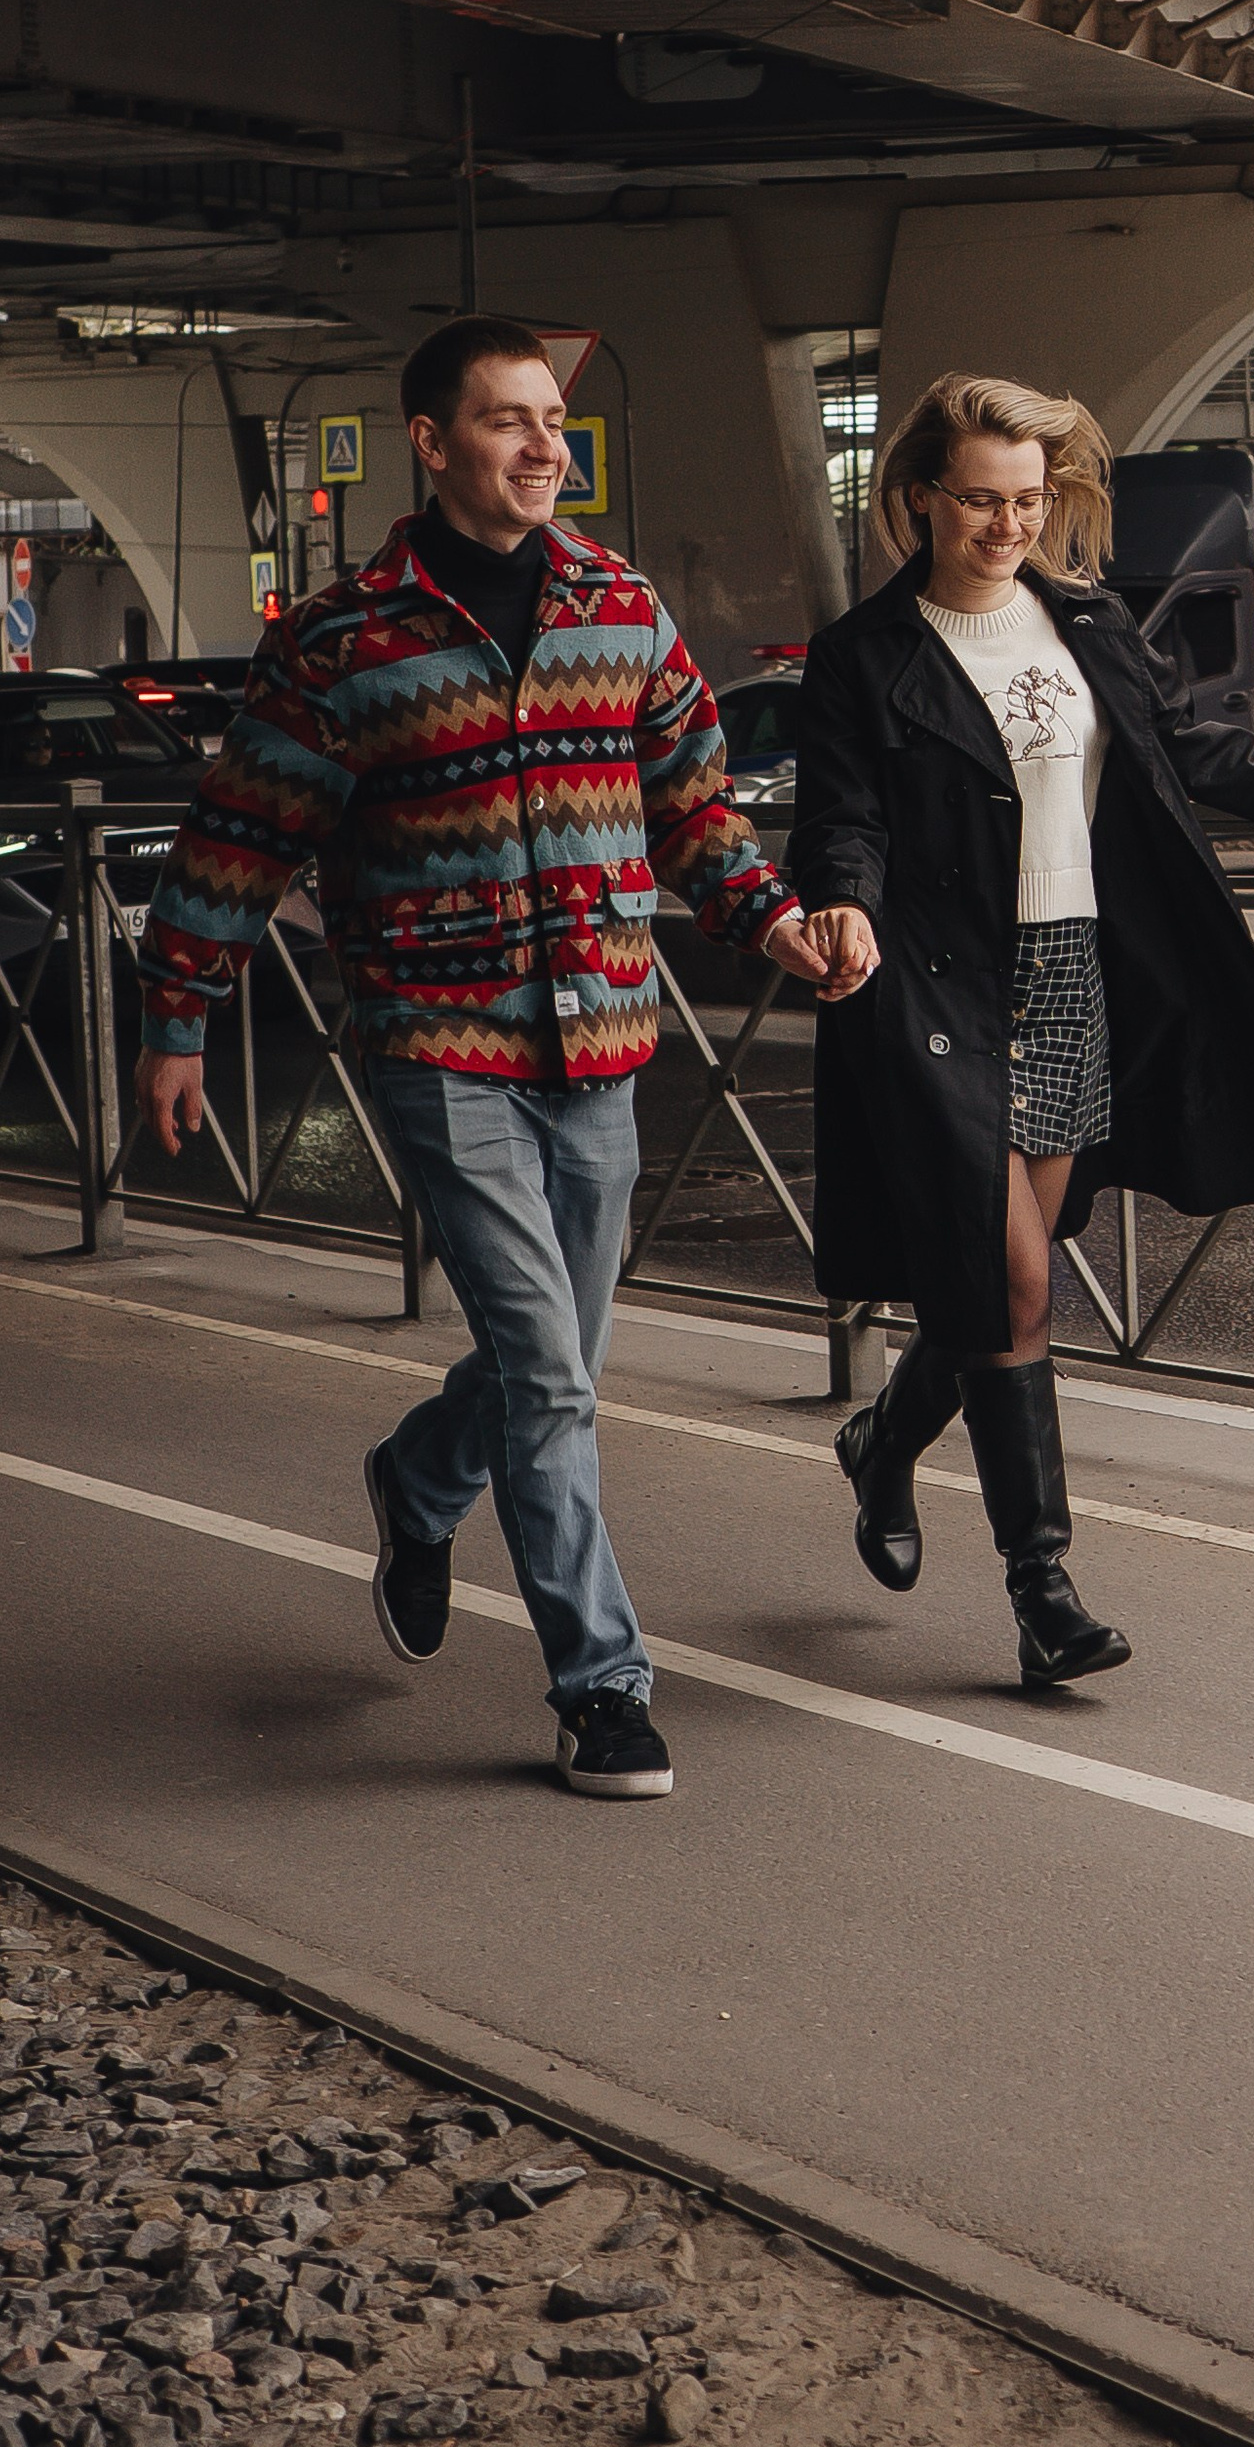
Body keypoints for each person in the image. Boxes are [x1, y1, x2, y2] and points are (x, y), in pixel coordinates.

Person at [132, 316, 826, 1802]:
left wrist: (767, 923)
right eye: (505, 422)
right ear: (432, 444)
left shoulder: (619, 607)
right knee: (550, 1375)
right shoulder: (343, 638)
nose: (539, 448)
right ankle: (604, 1689)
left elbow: (698, 803)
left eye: (551, 424)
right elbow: (241, 835)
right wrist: (179, 1015)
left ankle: (421, 1478)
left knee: (557, 1358)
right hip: (442, 1046)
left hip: (605, 1034)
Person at [792, 370, 1254, 1690]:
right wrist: (843, 907)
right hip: (937, 988)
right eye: (980, 501)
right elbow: (842, 817)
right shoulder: (863, 656)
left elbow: (1208, 761)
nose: (1007, 527)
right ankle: (1043, 1590)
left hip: (1076, 973)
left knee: (1006, 1279)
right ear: (920, 496)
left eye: (1030, 501)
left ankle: (884, 1441)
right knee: (1021, 1282)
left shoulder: (1089, 624)